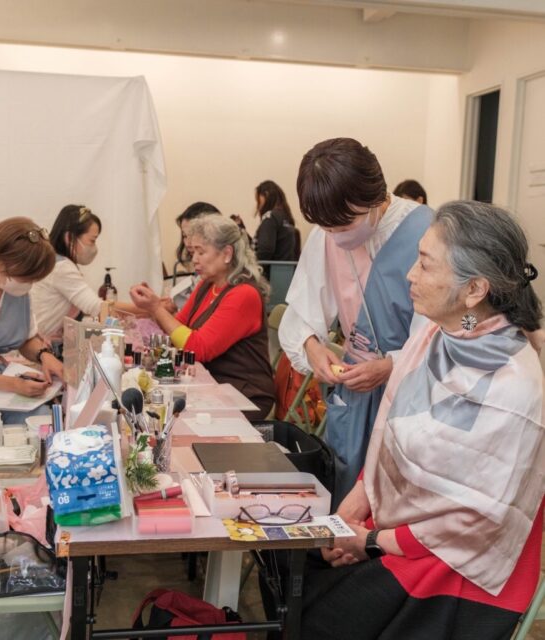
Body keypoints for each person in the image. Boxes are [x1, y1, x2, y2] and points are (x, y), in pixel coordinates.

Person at [300, 200, 544, 640]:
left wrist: (369, 542)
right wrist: (358, 501)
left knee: (317, 616)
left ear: (475, 289)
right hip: (403, 529)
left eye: (426, 265)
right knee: (295, 567)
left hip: (458, 566)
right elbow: (390, 431)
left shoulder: (512, 386)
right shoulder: (443, 331)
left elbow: (475, 520)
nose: (410, 275)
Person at [279, 138, 432, 503]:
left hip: (412, 393)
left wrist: (391, 366)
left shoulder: (426, 231)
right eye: (327, 228)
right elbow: (300, 315)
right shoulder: (327, 232)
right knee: (345, 495)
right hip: (354, 393)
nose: (336, 237)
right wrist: (311, 347)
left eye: (345, 224)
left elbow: (446, 335)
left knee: (393, 500)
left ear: (376, 197)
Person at [130, 214, 275, 420]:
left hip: (244, 394)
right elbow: (178, 328)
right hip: (211, 386)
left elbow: (198, 349)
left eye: (201, 252)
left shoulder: (244, 295)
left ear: (226, 254)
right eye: (193, 252)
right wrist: (155, 308)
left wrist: (156, 309)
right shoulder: (207, 285)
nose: (194, 259)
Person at [0, 217, 64, 439]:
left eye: (32, 279)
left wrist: (44, 355)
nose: (27, 284)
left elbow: (25, 339)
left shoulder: (18, 292)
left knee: (40, 424)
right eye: (22, 277)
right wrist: (13, 384)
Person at [31, 204, 149, 346]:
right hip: (42, 346)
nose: (94, 247)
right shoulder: (62, 268)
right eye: (92, 240)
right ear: (69, 237)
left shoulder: (54, 262)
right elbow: (98, 308)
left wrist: (151, 308)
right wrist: (152, 308)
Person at [254, 180, 300, 262]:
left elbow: (265, 251)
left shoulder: (270, 217)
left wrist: (252, 264)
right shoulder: (286, 217)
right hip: (285, 268)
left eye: (258, 200)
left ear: (266, 195)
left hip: (270, 269)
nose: (258, 205)